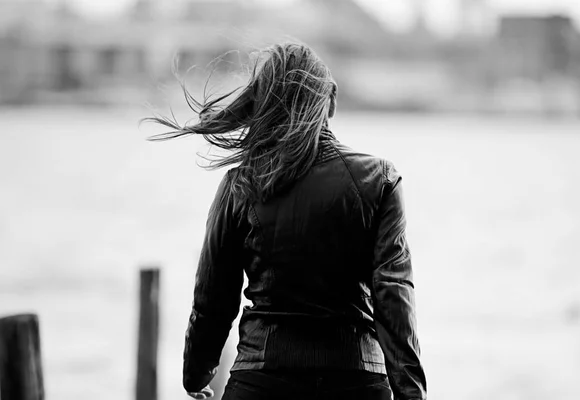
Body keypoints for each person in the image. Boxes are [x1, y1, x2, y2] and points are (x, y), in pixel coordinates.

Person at [146, 42, 427, 400]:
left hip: (260, 383)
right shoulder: (379, 180)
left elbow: (212, 301)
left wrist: (196, 378)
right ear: (332, 101)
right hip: (357, 383)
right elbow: (394, 301)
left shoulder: (240, 184)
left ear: (263, 106)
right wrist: (411, 395)